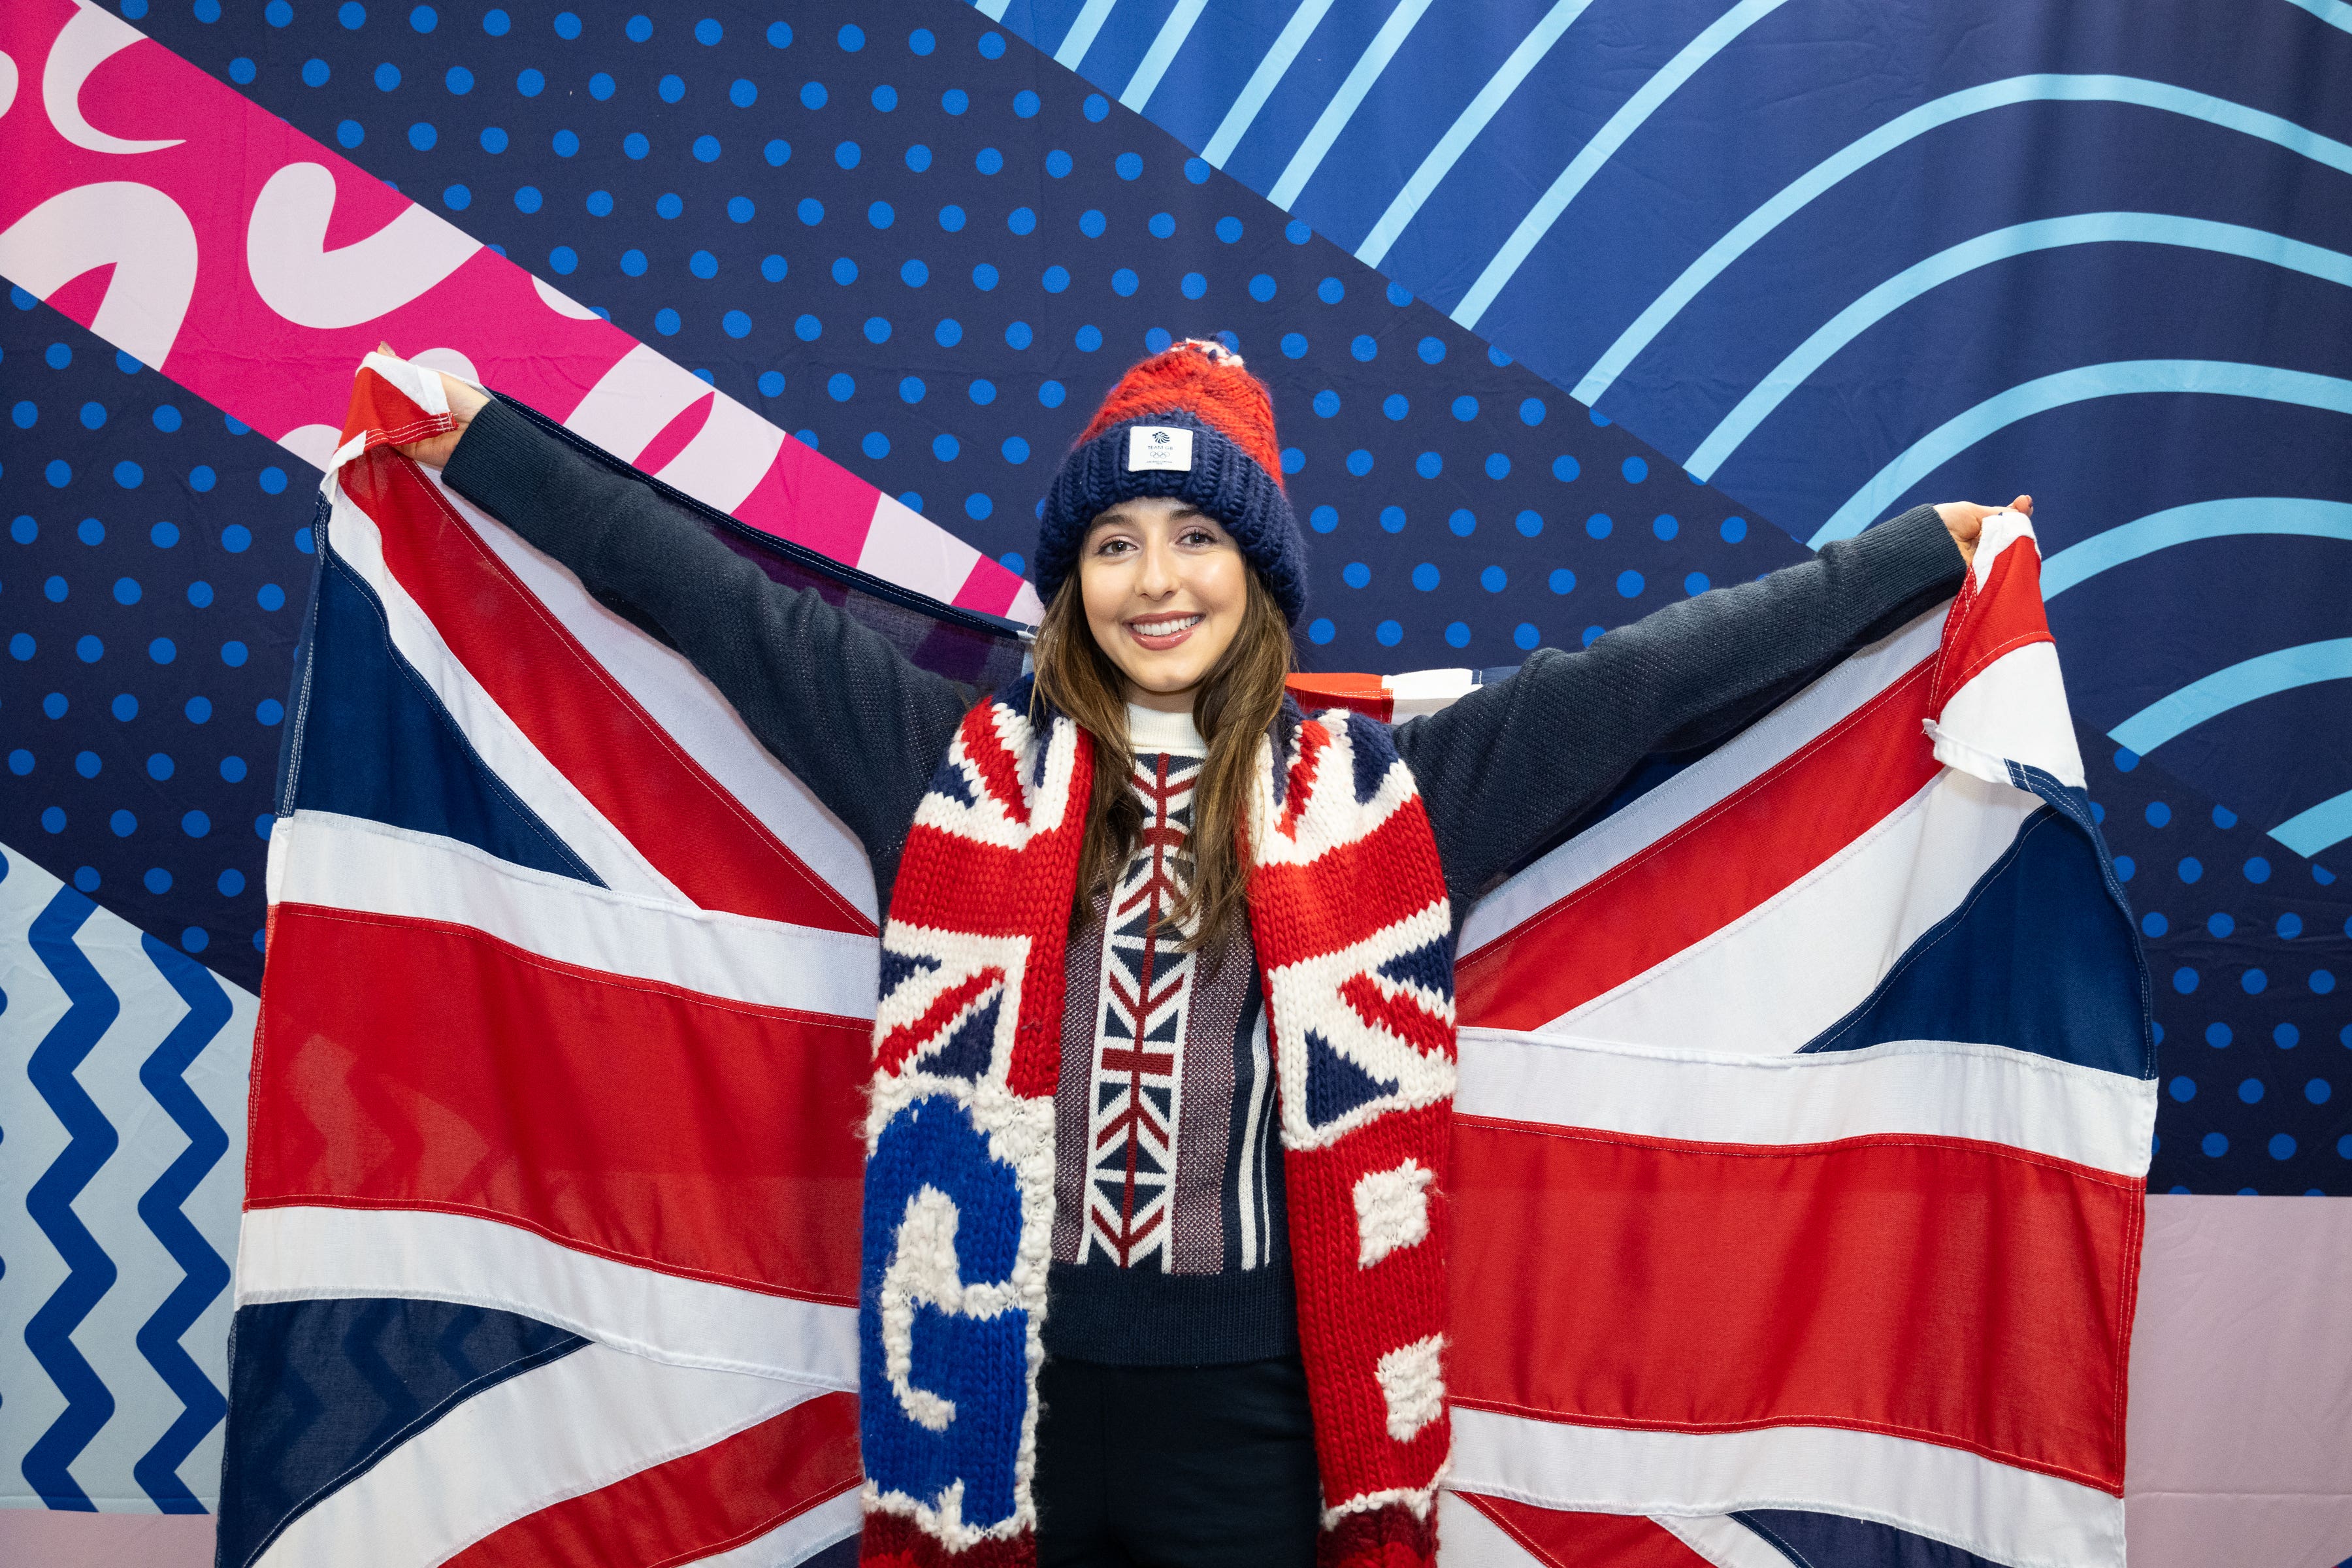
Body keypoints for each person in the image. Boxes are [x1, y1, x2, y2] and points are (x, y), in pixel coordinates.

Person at [391, 338, 2016, 1568]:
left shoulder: (1392, 799)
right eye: (1113, 543)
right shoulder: (953, 773)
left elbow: (1668, 675)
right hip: (999, 1398)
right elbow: (712, 601)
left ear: (1260, 571)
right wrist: (481, 452)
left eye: (1194, 537)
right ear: (1068, 580)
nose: (1155, 580)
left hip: (1267, 1420)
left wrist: (1917, 559)